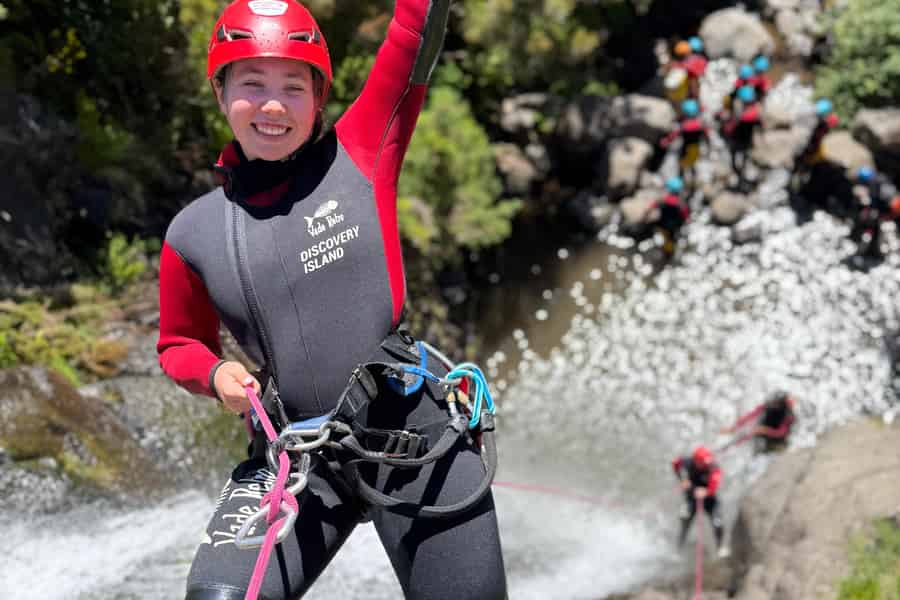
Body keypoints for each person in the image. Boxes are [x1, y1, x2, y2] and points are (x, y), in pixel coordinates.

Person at [156, 1, 506, 599]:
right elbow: (178, 344)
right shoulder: (192, 234)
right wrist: (215, 374)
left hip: (413, 439)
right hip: (297, 459)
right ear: (220, 93)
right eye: (251, 83)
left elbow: (416, 25)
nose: (272, 105)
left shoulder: (363, 152)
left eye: (294, 86)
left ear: (320, 97)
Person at [672, 446, 727, 557]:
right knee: (685, 519)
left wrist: (706, 492)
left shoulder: (713, 468)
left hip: (709, 499)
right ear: (696, 461)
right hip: (692, 496)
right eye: (703, 462)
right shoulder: (687, 462)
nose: (706, 464)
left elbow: (714, 486)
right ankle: (678, 548)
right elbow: (675, 463)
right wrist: (682, 479)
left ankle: (720, 547)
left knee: (717, 522)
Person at [721, 390, 796, 452]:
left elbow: (781, 433)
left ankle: (729, 449)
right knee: (749, 432)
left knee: (754, 433)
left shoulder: (788, 415)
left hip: (777, 440)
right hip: (764, 429)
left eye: (776, 403)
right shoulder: (769, 405)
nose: (774, 404)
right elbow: (751, 415)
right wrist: (733, 428)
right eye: (773, 401)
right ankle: (726, 449)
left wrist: (764, 430)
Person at [660, 99, 709, 189]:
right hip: (696, 148)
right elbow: (706, 135)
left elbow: (674, 135)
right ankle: (693, 184)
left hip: (685, 149)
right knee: (693, 166)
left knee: (681, 168)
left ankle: (680, 184)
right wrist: (708, 145)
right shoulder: (700, 124)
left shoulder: (684, 125)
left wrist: (666, 141)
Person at [850, 167, 898, 256]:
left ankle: (874, 249)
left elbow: (876, 198)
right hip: (893, 204)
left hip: (888, 207)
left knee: (874, 224)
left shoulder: (874, 182)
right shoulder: (882, 178)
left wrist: (873, 209)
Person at [721, 85, 762, 188]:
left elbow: (730, 128)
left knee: (735, 161)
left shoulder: (742, 116)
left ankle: (739, 177)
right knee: (744, 160)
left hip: (737, 140)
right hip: (748, 141)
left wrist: (725, 125)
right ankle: (742, 176)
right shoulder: (756, 112)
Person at [643, 176, 691, 257]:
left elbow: (652, 207)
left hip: (662, 224)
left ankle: (663, 250)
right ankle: (668, 254)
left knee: (662, 238)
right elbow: (686, 216)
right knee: (670, 242)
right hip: (674, 227)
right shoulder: (681, 203)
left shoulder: (663, 199)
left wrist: (646, 215)